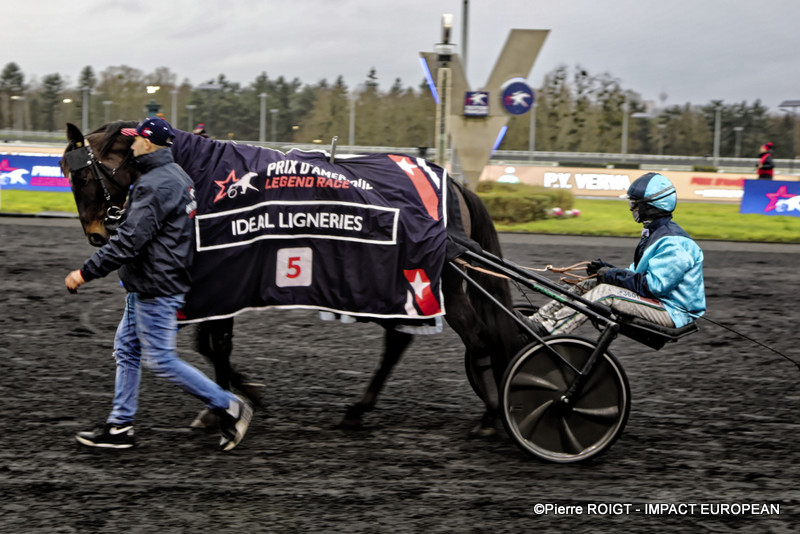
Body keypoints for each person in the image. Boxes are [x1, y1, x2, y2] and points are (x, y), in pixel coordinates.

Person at [65, 117, 252, 451]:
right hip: (149, 281)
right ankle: (120, 426)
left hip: (156, 285)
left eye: (136, 141)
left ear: (148, 144)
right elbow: (152, 229)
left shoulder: (157, 184)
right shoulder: (172, 176)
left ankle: (229, 404)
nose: (132, 145)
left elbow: (129, 244)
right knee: (127, 349)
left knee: (161, 360)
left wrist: (85, 272)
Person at [529, 172, 706, 335]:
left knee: (606, 293)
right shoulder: (655, 233)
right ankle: (537, 321)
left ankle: (548, 330)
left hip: (673, 312)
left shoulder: (674, 243)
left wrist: (612, 275)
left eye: (634, 204)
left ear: (651, 206)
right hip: (659, 303)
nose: (631, 209)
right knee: (592, 283)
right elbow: (636, 275)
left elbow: (653, 287)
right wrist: (607, 270)